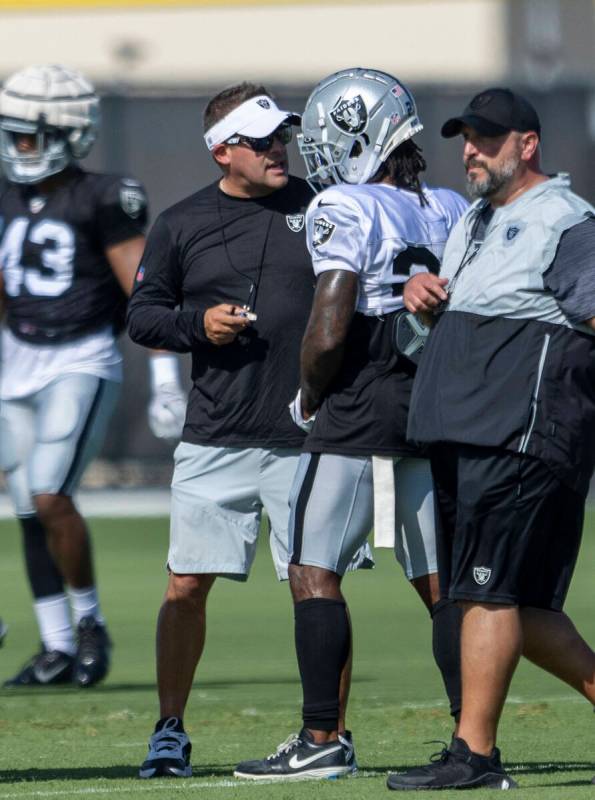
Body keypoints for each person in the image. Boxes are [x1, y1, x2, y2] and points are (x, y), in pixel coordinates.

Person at [127, 81, 372, 779]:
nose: (278, 150)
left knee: (318, 586)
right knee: (184, 587)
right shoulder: (179, 223)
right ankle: (169, 729)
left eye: (281, 139)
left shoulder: (322, 207)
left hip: (310, 438)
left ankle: (329, 734)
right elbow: (142, 313)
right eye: (262, 141)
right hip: (215, 435)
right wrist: (194, 326)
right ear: (221, 151)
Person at [234, 67, 468, 782]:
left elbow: (330, 322)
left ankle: (320, 737)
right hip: (432, 399)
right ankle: (473, 738)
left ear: (354, 134)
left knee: (311, 569)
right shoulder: (450, 205)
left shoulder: (344, 203)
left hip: (361, 396)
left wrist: (309, 393)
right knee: (440, 584)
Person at [389, 87, 595, 791]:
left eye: (486, 138)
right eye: (464, 138)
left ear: (527, 144)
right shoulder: (470, 221)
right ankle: (470, 752)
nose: (470, 150)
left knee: (485, 595)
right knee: (520, 605)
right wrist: (420, 293)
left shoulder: (563, 219)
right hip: (465, 431)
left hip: (517, 433)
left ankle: (473, 756)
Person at [0, 64, 185, 688]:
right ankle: (53, 646)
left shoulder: (106, 195)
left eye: (27, 135)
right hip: (16, 355)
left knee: (51, 495)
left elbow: (143, 292)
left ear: (66, 132)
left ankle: (88, 625)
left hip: (79, 357)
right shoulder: (4, 193)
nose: (16, 146)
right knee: (27, 507)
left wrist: (165, 381)